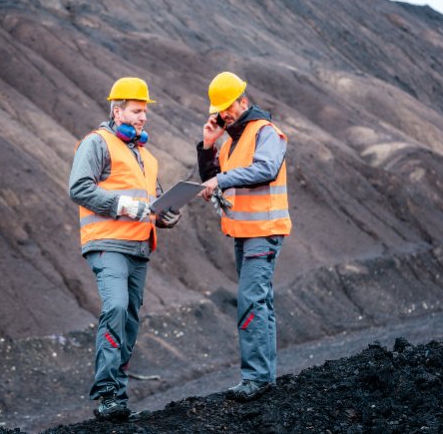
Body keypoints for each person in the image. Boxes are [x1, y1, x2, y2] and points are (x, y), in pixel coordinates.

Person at [69, 77, 181, 421]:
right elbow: (79, 188)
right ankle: (105, 395)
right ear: (117, 111)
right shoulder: (96, 143)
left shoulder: (147, 156)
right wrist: (123, 205)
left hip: (139, 248)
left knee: (129, 321)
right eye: (136, 111)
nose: (143, 117)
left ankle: (117, 396)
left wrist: (168, 215)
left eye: (145, 111)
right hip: (106, 243)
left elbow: (152, 204)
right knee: (116, 307)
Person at [197, 72, 292, 399]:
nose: (225, 114)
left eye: (229, 107)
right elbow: (214, 178)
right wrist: (208, 146)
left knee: (251, 299)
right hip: (243, 232)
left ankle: (255, 379)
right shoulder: (230, 143)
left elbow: (265, 169)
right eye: (220, 110)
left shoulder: (266, 132)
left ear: (244, 102)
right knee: (259, 301)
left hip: (264, 231)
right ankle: (264, 379)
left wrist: (221, 182)